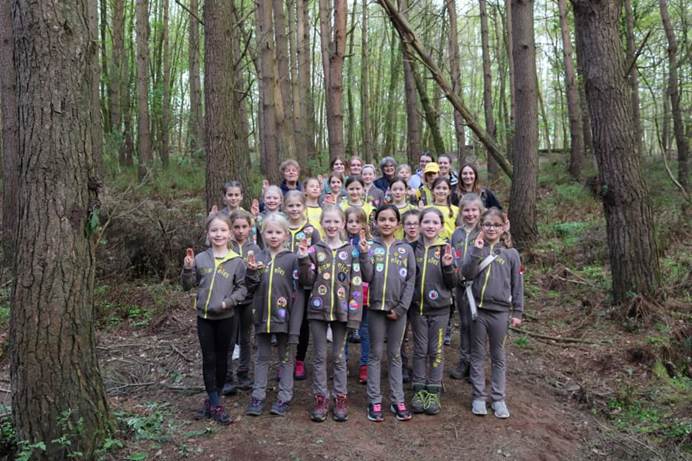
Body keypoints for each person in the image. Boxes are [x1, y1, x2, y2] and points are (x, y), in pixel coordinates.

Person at [298, 205, 371, 422]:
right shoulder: (314, 251)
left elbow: (357, 283)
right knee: (319, 357)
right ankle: (321, 398)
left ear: (343, 224)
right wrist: (303, 260)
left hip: (342, 312)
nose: (331, 225)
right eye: (327, 222)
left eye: (336, 222)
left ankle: (341, 397)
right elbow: (306, 281)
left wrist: (354, 315)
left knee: (339, 357)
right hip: (317, 311)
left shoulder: (351, 251)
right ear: (322, 223)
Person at [181, 212, 248, 425]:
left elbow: (243, 289)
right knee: (208, 359)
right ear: (208, 234)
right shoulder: (201, 258)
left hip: (226, 318)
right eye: (214, 230)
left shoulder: (237, 261)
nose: (218, 234)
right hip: (204, 317)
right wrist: (187, 268)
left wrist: (228, 302)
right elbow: (187, 286)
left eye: (222, 230)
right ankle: (215, 402)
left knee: (222, 360)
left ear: (229, 234)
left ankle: (213, 399)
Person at [462, 207, 523, 419]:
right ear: (481, 226)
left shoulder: (511, 254)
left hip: (501, 313)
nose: (491, 228)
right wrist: (477, 251)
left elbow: (517, 285)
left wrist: (518, 311)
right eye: (487, 224)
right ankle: (478, 396)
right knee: (477, 354)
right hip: (478, 310)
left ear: (503, 227)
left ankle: (498, 398)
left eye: (496, 225)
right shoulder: (475, 247)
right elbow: (466, 274)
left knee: (498, 356)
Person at [245, 213, 304, 417]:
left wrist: (294, 323)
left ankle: (284, 396)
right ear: (262, 234)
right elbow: (249, 287)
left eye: (278, 232)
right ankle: (258, 395)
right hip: (262, 316)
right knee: (261, 357)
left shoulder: (293, 259)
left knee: (285, 358)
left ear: (286, 235)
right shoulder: (257, 257)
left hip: (285, 318)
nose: (273, 236)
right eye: (269, 232)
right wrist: (251, 272)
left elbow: (301, 288)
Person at [362, 205, 416, 422]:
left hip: (398, 311)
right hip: (375, 309)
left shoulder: (406, 249)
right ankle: (374, 400)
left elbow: (411, 279)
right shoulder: (371, 247)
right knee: (375, 354)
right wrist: (365, 255)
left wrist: (402, 308)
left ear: (398, 223)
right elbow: (366, 276)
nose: (386, 223)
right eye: (382, 219)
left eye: (391, 219)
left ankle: (397, 400)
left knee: (394, 355)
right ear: (375, 222)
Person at [410, 208, 458, 416]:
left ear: (440, 226)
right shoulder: (411, 249)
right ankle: (419, 389)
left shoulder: (446, 249)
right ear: (420, 225)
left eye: (434, 222)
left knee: (436, 350)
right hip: (417, 308)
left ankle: (434, 389)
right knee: (420, 349)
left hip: (440, 310)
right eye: (426, 222)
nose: (430, 226)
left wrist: (448, 267)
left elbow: (454, 282)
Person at [222, 210, 262, 396]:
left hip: (248, 301)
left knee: (246, 338)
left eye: (244, 227)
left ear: (250, 228)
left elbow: (258, 277)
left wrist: (253, 275)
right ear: (230, 229)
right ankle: (227, 377)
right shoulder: (225, 248)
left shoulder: (255, 249)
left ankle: (244, 374)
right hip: (229, 301)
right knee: (229, 340)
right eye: (236, 227)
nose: (240, 231)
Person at [283, 190, 321, 381]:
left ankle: (299, 360)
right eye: (291, 205)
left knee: (302, 324)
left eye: (298, 205)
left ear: (304, 208)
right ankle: (285, 361)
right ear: (285, 208)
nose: (294, 209)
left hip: (303, 285)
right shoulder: (280, 228)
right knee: (283, 321)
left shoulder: (311, 231)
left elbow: (317, 256)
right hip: (282, 283)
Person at [449, 193, 484, 381]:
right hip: (461, 286)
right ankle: (464, 360)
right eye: (466, 210)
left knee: (477, 326)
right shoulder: (457, 233)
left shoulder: (484, 232)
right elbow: (453, 255)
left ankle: (476, 366)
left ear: (480, 212)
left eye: (474, 210)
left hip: (478, 286)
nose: (470, 214)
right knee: (463, 324)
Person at [343, 207, 371, 384]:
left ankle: (365, 365)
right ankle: (342, 362)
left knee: (365, 329)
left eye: (357, 222)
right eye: (350, 221)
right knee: (344, 328)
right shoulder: (340, 243)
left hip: (364, 292)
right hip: (344, 292)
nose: (353, 225)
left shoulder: (370, 243)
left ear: (364, 224)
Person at [400, 209, 421, 384]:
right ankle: (402, 364)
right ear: (403, 226)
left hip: (421, 297)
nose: (412, 227)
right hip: (403, 296)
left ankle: (420, 367)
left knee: (419, 334)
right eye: (409, 223)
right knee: (401, 334)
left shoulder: (425, 247)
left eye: (416, 223)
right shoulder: (399, 247)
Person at [430, 177, 459, 242]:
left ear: (449, 191)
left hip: (450, 245)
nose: (441, 191)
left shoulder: (456, 210)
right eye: (438, 188)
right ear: (432, 191)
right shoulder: (426, 209)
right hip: (431, 244)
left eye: (444, 188)